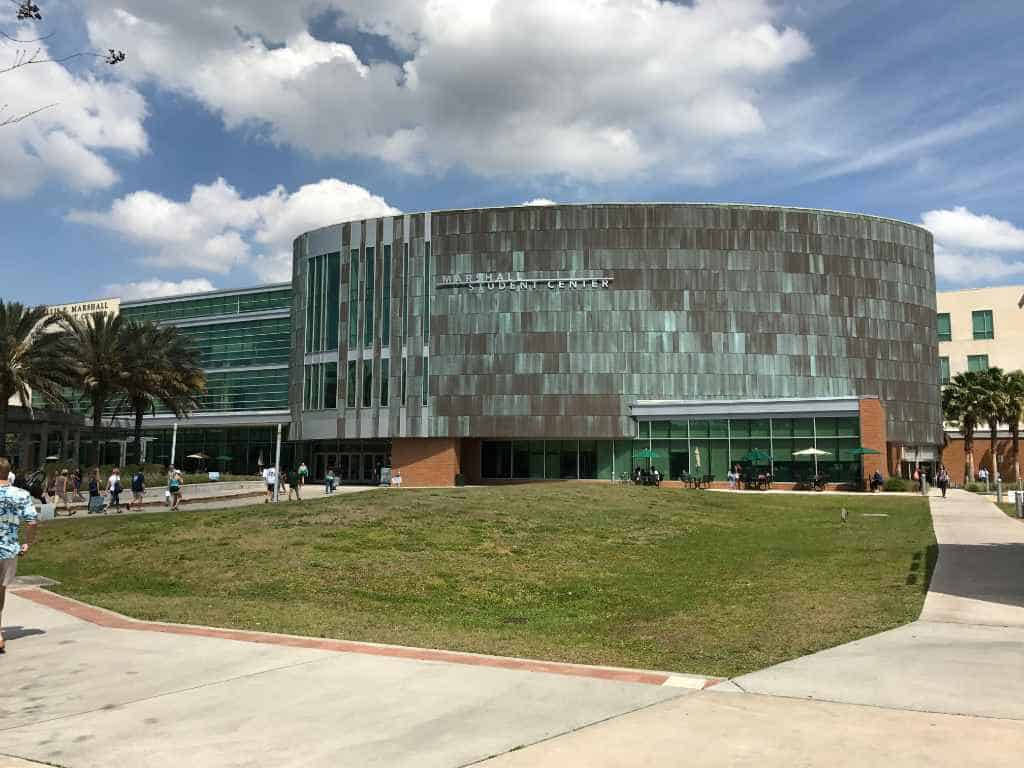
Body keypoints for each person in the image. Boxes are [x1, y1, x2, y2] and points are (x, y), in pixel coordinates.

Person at [0, 457, 39, 654]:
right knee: (1, 589)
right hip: (8, 549)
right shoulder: (21, 494)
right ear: (9, 473)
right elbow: (32, 521)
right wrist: (27, 544)